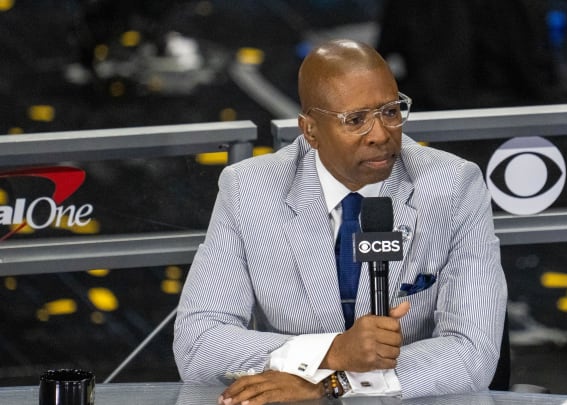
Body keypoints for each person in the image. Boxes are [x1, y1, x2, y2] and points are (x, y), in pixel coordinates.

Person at [173, 39, 507, 404]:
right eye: (357, 120)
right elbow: (198, 344)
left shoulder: (453, 187)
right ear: (310, 130)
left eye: (391, 112)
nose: (380, 135)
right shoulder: (249, 190)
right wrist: (332, 351)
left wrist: (333, 384)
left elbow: (472, 353)